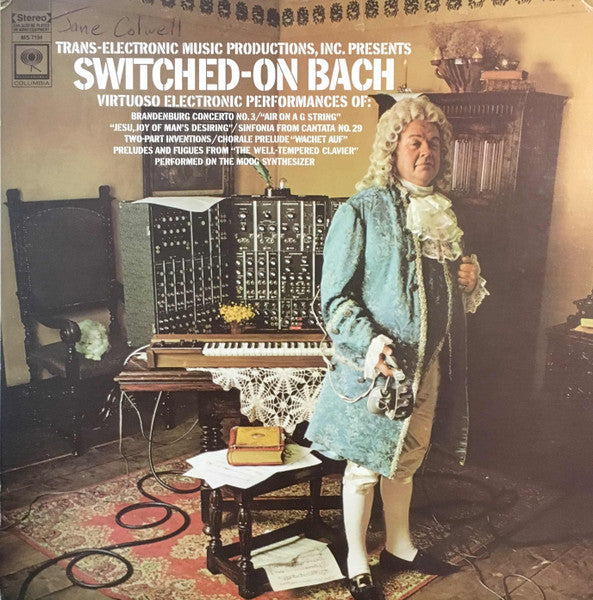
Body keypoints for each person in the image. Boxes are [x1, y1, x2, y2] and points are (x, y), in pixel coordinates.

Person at [306, 96, 488, 600]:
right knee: (365, 466)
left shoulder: (445, 213)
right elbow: (334, 299)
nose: (426, 151)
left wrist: (468, 281)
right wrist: (371, 342)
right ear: (393, 149)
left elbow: (442, 294)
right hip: (379, 366)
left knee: (407, 459)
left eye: (434, 143)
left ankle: (399, 546)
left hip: (430, 365)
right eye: (415, 142)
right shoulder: (362, 210)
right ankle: (356, 559)